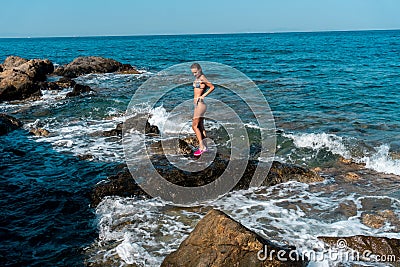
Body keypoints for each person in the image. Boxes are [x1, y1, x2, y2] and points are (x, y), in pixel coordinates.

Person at [190, 63, 215, 156]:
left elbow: (212, 87)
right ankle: (205, 147)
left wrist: (203, 96)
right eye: (193, 73)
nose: (194, 74)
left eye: (196, 72)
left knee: (194, 126)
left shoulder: (202, 78)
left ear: (200, 70)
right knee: (200, 126)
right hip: (198, 105)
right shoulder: (198, 78)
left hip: (200, 104)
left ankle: (202, 147)